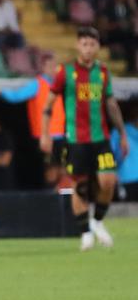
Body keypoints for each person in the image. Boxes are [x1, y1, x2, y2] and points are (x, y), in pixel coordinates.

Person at [40, 27, 130, 250]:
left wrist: (123, 135)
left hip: (101, 138)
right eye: (84, 44)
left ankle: (98, 221)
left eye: (92, 44)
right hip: (76, 141)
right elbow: (48, 106)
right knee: (80, 186)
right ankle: (85, 233)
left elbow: (111, 104)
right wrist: (45, 134)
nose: (88, 48)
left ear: (98, 47)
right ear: (78, 45)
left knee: (107, 181)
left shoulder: (103, 72)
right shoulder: (66, 72)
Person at [0, 52, 65, 188]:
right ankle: (49, 196)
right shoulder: (37, 84)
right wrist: (0, 92)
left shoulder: (59, 84)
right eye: (50, 66)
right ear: (43, 67)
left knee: (60, 168)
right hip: (45, 136)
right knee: (49, 169)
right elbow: (17, 96)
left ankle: (58, 195)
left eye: (55, 66)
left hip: (60, 135)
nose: (53, 69)